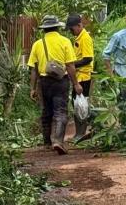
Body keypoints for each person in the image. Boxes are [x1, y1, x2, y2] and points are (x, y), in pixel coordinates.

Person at [27, 15, 83, 155]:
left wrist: (32, 88)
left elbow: (33, 69)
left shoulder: (37, 44)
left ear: (44, 29)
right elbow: (70, 65)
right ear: (57, 27)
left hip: (44, 82)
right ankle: (58, 141)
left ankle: (47, 143)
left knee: (46, 112)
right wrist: (76, 84)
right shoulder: (65, 41)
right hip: (61, 81)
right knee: (60, 111)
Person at [65, 13, 94, 142]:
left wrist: (71, 64)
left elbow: (88, 59)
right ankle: (79, 133)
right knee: (77, 104)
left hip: (84, 76)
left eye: (72, 29)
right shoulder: (78, 37)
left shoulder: (85, 38)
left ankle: (81, 133)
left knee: (80, 105)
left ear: (79, 25)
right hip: (79, 75)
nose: (71, 32)